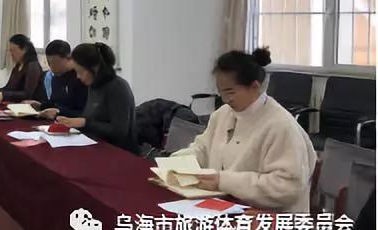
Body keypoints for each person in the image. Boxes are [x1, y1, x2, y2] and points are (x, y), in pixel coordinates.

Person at [172, 48, 317, 213]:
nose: (225, 100)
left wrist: (224, 181)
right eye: (221, 92)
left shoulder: (280, 125)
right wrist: (178, 162)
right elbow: (203, 148)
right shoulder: (223, 114)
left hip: (271, 218)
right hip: (225, 206)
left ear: (254, 87)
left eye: (230, 92)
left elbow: (286, 187)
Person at [55, 43, 138, 153]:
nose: (78, 77)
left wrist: (85, 123)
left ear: (94, 68)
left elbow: (119, 131)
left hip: (118, 152)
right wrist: (69, 120)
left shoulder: (118, 87)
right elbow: (90, 117)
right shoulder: (93, 85)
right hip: (95, 145)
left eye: (80, 72)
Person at [24, 40, 88, 119]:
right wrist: (40, 106)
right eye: (49, 63)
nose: (51, 67)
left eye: (54, 62)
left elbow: (85, 114)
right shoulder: (56, 76)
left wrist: (58, 112)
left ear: (68, 58)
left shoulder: (81, 77)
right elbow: (55, 104)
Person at [0, 34, 46, 103]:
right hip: (14, 104)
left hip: (28, 107)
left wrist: (4, 95)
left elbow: (27, 94)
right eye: (10, 51)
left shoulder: (33, 66)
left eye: (14, 50)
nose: (11, 54)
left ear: (24, 49)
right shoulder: (18, 66)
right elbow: (7, 89)